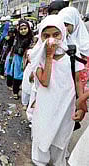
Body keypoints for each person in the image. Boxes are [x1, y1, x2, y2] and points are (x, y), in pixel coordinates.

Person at [30, 15, 85, 166]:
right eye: (46, 36)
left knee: (61, 137)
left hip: (65, 106)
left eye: (56, 34)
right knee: (42, 134)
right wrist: (49, 56)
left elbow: (78, 81)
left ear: (63, 33)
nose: (51, 40)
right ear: (40, 36)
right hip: (45, 105)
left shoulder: (72, 55)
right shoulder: (37, 57)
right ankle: (40, 162)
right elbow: (45, 81)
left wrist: (81, 107)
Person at [59, 7, 89, 94]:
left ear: (74, 23)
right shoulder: (59, 40)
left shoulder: (85, 43)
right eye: (62, 25)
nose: (64, 28)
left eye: (66, 24)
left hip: (80, 87)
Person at [8, 20, 33, 100]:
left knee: (26, 75)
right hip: (19, 59)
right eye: (21, 29)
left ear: (28, 28)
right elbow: (13, 47)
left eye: (25, 28)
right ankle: (15, 92)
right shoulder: (16, 38)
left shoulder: (31, 38)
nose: (23, 31)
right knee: (17, 75)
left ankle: (24, 92)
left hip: (28, 59)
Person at [21, 36, 38, 111]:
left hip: (37, 70)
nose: (34, 44)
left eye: (36, 42)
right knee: (26, 86)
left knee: (34, 89)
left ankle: (31, 106)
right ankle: (24, 103)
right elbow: (26, 60)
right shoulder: (29, 51)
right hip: (29, 69)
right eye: (33, 42)